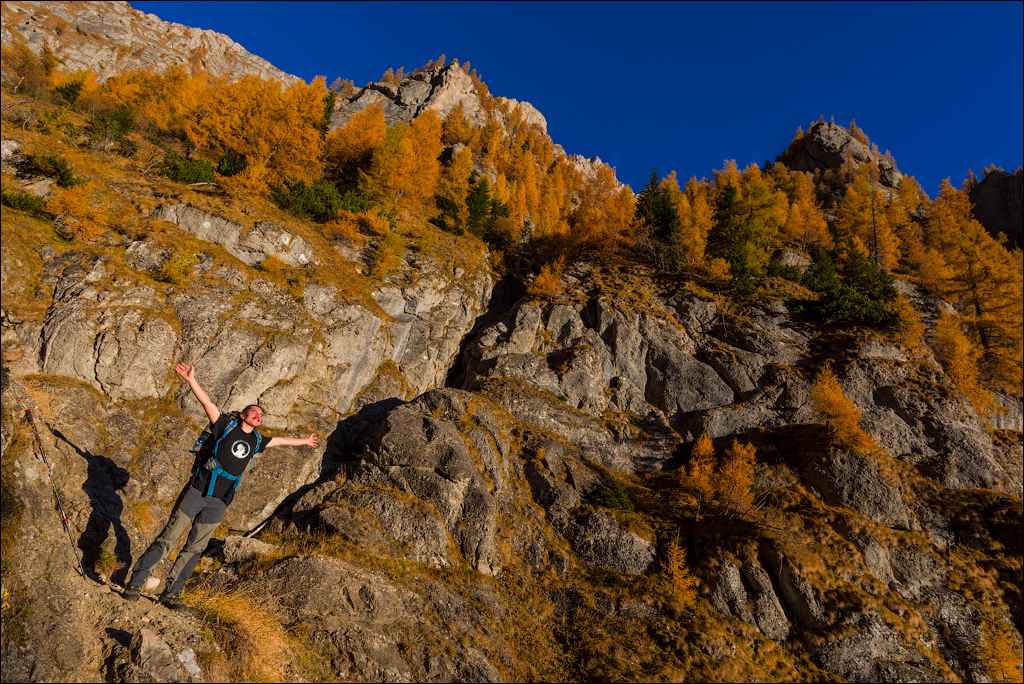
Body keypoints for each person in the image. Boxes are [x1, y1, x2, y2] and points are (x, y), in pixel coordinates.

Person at [122, 362, 318, 609]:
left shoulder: (257, 440)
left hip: (220, 501)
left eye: (261, 414)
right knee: (168, 538)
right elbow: (208, 403)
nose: (258, 415)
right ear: (242, 415)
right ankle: (135, 583)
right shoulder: (225, 426)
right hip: (198, 490)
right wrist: (190, 379)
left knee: (195, 548)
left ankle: (171, 594)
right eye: (253, 412)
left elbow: (280, 441)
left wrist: (304, 442)